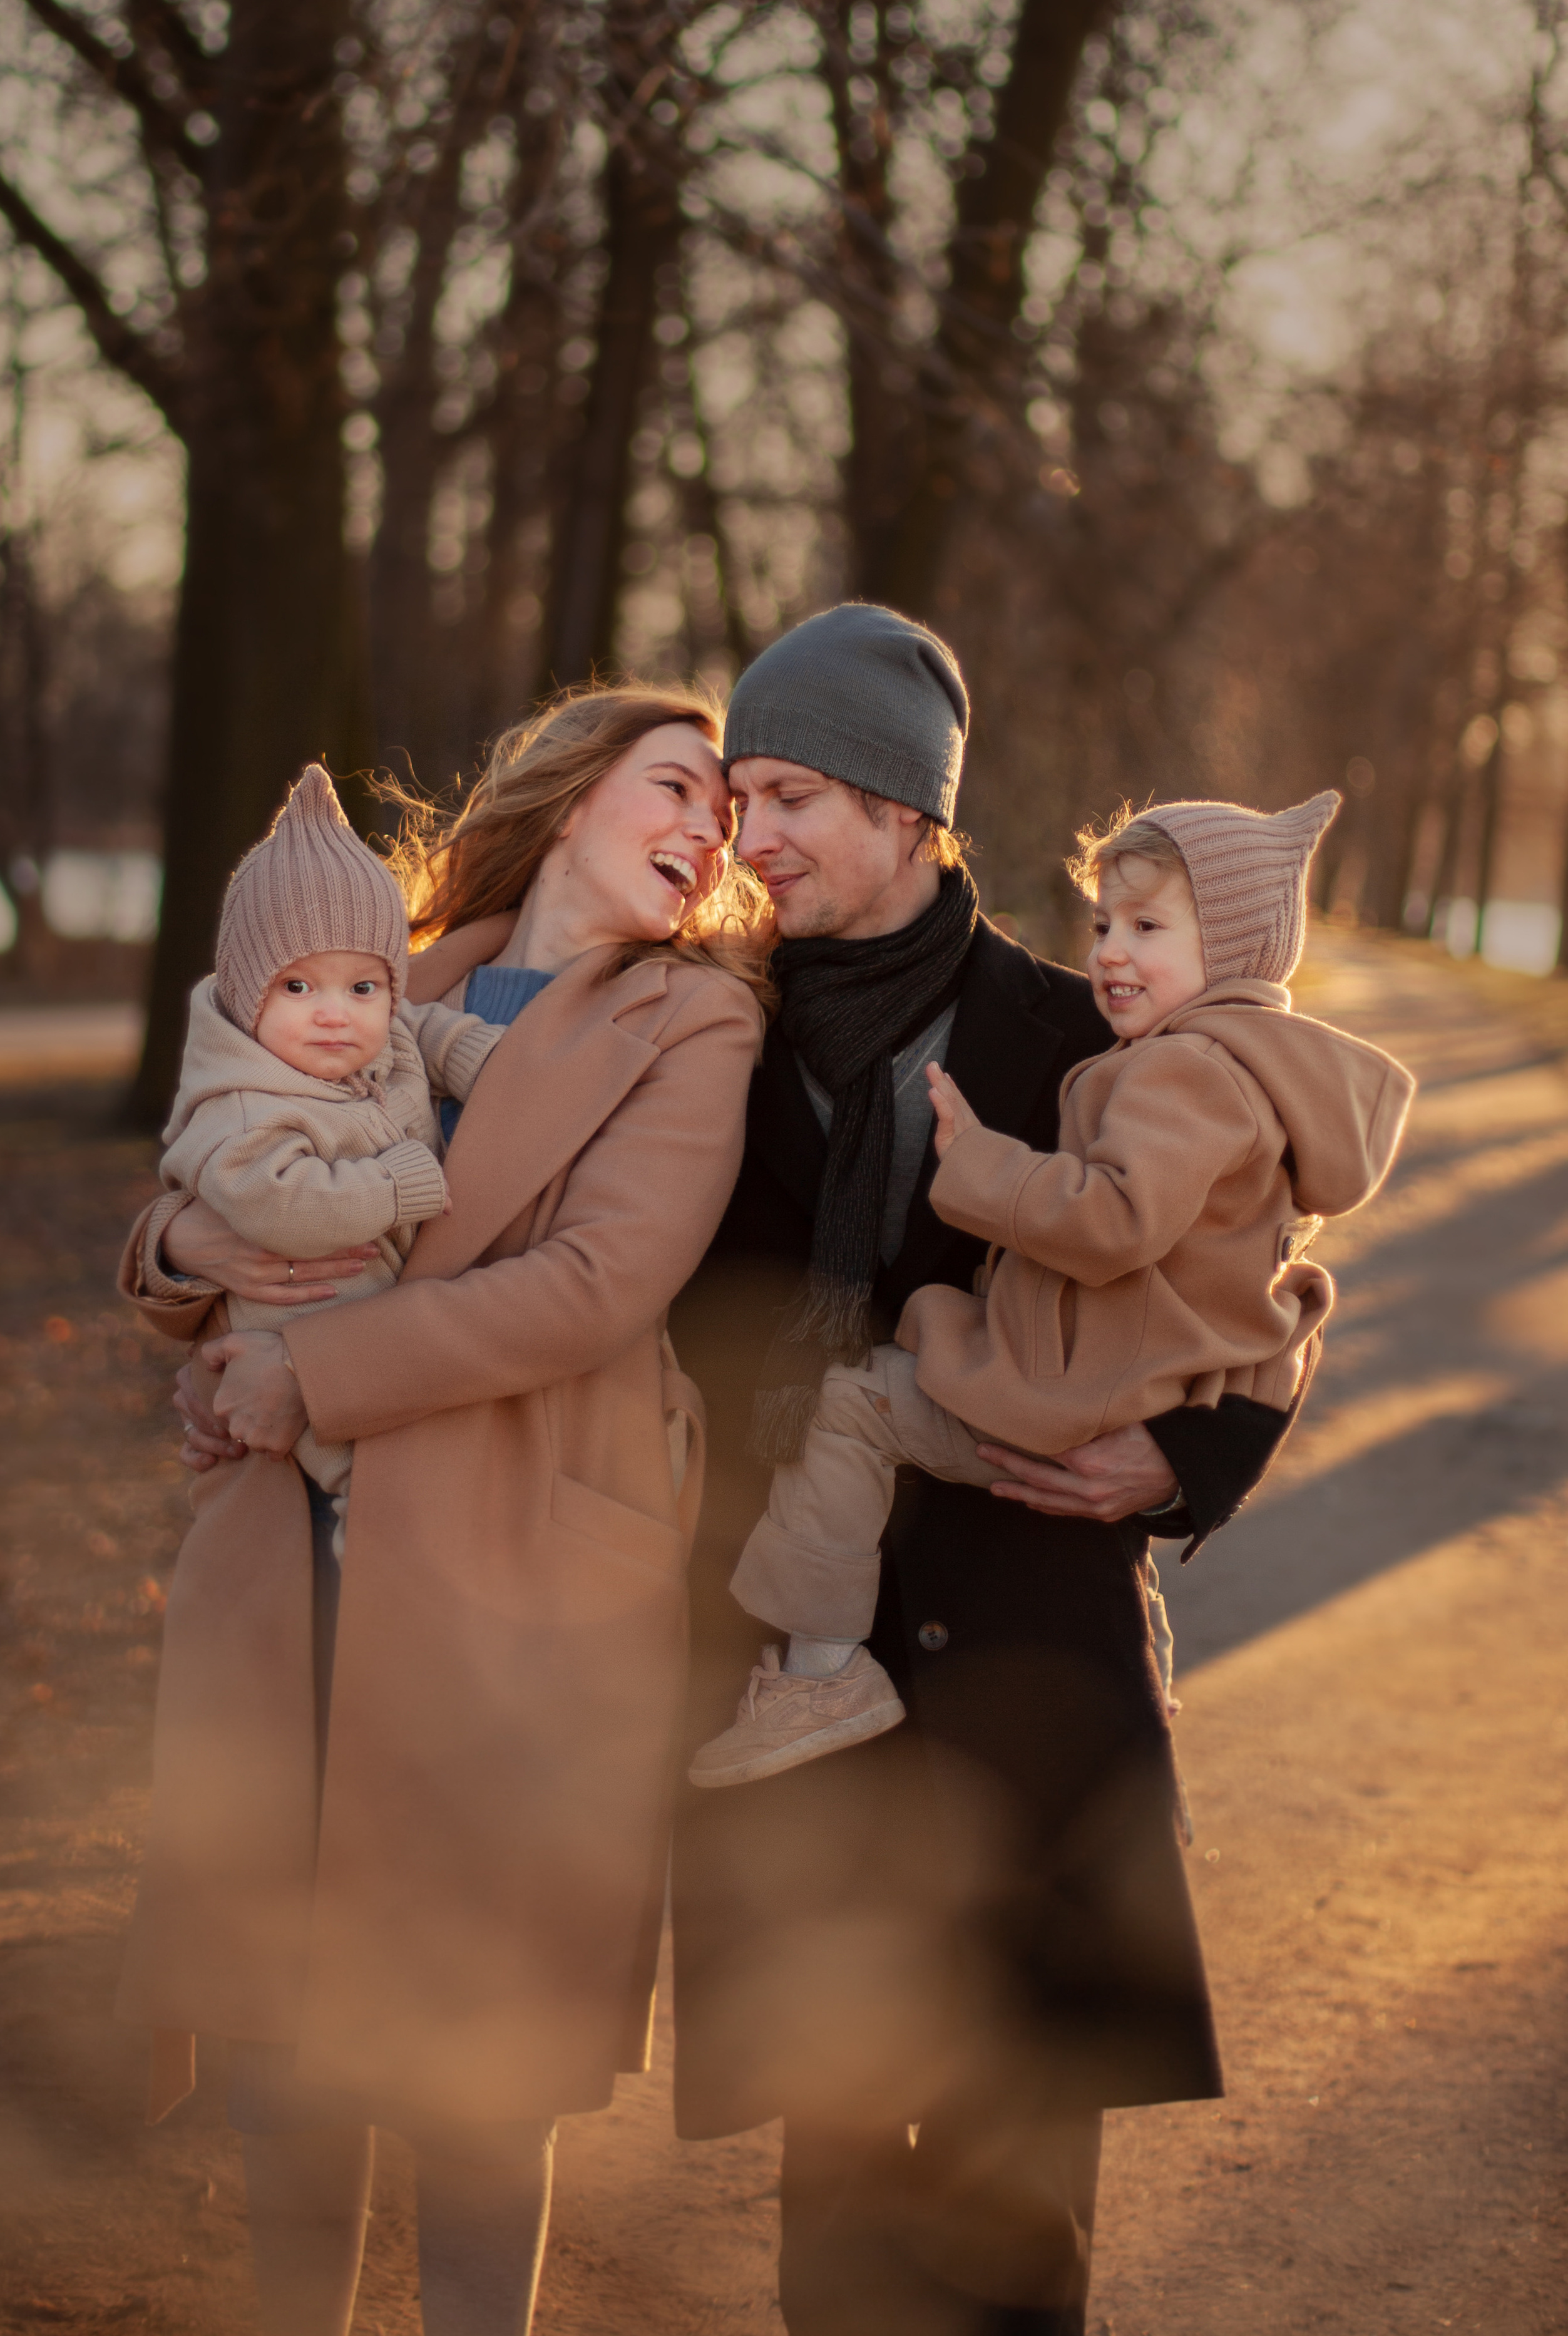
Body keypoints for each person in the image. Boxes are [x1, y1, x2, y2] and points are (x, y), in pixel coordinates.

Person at [667, 602, 1328, 2336]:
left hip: (1029, 1663)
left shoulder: (1078, 1032)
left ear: (905, 808)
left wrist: (1179, 1462)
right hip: (803, 1679)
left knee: (1019, 2209)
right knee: (833, 2209)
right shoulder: (710, 1039)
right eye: (738, 799)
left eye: (791, 795)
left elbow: (1252, 1276)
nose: (753, 836)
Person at [118, 686, 769, 2336]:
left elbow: (598, 1280)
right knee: (282, 2044)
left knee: (482, 2068)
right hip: (296, 1559)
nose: (709, 833)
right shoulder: (382, 970)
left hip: (515, 1572)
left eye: (724, 817)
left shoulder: (693, 1022)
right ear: (571, 795)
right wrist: (185, 1256)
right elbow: (213, 1151)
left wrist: (311, 1372)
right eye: (676, 788)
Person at [690, 790, 1413, 1786]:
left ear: (902, 804)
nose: (1111, 951)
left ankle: (818, 1671)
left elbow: (1130, 1229)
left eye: (1148, 928)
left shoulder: (1169, 1067)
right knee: (908, 1350)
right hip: (1075, 1382)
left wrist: (979, 1164)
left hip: (1059, 1455)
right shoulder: (1217, 1064)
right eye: (1105, 924)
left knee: (851, 1400)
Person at [158, 761, 507, 1544]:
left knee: (418, 1462)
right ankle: (367, 1551)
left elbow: (423, 1030)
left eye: (362, 988)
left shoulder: (381, 1038)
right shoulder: (242, 1103)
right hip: (297, 1325)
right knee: (366, 1476)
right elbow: (280, 1205)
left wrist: (480, 1055)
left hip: (376, 1324)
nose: (334, 1015)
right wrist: (395, 1186)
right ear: (247, 993)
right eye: (297, 988)